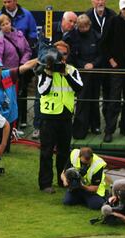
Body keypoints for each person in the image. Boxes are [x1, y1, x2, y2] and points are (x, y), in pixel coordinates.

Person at [37, 40, 83, 193]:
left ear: (67, 55)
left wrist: (66, 74)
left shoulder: (72, 70)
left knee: (64, 152)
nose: (60, 57)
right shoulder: (44, 70)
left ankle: (62, 179)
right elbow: (42, 90)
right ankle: (45, 184)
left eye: (63, 54)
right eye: (57, 53)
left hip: (65, 115)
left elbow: (79, 88)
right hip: (49, 116)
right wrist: (49, 74)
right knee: (46, 152)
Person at [101, 0, 125, 142]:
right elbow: (103, 43)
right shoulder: (112, 21)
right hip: (117, 67)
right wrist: (111, 60)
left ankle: (124, 127)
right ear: (120, 9)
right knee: (114, 99)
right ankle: (109, 130)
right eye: (124, 9)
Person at [68, 14, 103, 139]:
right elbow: (72, 56)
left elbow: (101, 54)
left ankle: (95, 125)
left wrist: (93, 64)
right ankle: (80, 128)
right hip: (80, 72)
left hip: (94, 72)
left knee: (94, 98)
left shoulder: (96, 36)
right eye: (80, 27)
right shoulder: (73, 36)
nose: (82, 29)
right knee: (82, 99)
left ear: (89, 25)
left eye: (84, 27)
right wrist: (83, 65)